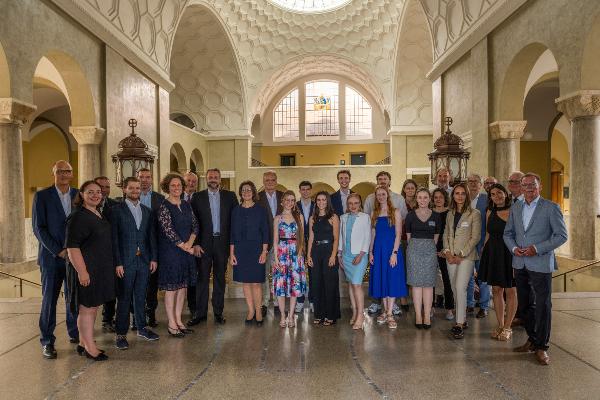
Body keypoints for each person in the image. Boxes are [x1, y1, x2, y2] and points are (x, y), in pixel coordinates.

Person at [504, 173, 567, 365]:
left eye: (532, 184)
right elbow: (508, 233)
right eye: (525, 185)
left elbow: (561, 236)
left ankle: (542, 347)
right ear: (521, 188)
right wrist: (514, 248)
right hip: (519, 263)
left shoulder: (551, 207)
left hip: (540, 262)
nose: (528, 188)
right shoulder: (516, 207)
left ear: (539, 186)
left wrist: (537, 248)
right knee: (524, 306)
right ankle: (532, 339)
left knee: (543, 305)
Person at [32, 160, 79, 359]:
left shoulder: (78, 194)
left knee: (73, 298)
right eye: (60, 171)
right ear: (54, 173)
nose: (63, 174)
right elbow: (38, 228)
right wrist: (58, 251)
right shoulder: (42, 196)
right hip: (51, 258)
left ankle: (75, 333)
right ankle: (47, 341)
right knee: (49, 300)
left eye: (67, 171)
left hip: (74, 257)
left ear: (71, 174)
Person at [65, 180, 116, 361]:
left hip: (98, 268)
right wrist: (82, 272)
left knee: (92, 308)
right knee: (87, 309)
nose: (95, 195)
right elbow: (72, 247)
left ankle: (82, 342)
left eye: (98, 192)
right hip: (86, 270)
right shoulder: (78, 217)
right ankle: (90, 348)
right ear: (81, 195)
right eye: (90, 192)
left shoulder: (97, 212)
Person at [111, 177, 159, 350]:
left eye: (137, 188)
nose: (135, 191)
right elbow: (114, 240)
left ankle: (141, 327)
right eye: (131, 188)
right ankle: (121, 334)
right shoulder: (116, 211)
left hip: (144, 261)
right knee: (124, 298)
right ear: (124, 189)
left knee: (141, 296)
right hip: (125, 262)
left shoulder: (147, 211)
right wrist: (117, 262)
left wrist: (153, 258)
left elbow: (151, 236)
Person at [188, 168, 237, 326]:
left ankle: (218, 313)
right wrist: (195, 243)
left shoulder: (230, 196)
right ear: (206, 179)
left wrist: (233, 246)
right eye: (210, 177)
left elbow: (235, 221)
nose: (213, 179)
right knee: (202, 279)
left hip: (222, 244)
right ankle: (200, 313)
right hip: (203, 244)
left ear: (220, 179)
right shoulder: (197, 197)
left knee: (219, 279)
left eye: (216, 177)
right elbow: (192, 222)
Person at [157, 173, 198, 338]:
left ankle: (179, 321)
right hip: (171, 253)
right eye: (173, 186)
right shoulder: (164, 206)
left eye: (179, 185)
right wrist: (185, 246)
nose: (176, 188)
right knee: (172, 289)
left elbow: (195, 225)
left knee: (183, 287)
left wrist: (190, 243)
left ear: (183, 187)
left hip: (186, 251)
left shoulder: (187, 205)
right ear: (167, 187)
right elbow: (169, 231)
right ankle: (171, 323)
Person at [364, 172, 409, 315]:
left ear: (387, 195)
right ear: (375, 197)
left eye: (383, 194)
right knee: (381, 277)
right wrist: (371, 252)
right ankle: (385, 311)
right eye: (378, 195)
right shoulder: (374, 213)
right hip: (378, 250)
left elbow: (398, 234)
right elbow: (373, 234)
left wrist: (395, 252)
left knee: (392, 277)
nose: (381, 196)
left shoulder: (395, 211)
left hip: (391, 249)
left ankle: (390, 311)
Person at [442, 183, 481, 339]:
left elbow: (475, 237)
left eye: (462, 193)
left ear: (467, 195)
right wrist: (447, 252)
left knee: (460, 287)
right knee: (454, 288)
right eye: (456, 193)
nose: (459, 196)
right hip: (450, 257)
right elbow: (446, 234)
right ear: (453, 196)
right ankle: (462, 319)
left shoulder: (474, 213)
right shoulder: (450, 213)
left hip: (466, 257)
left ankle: (458, 324)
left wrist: (461, 254)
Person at [478, 183, 516, 341]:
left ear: (506, 193)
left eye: (499, 192)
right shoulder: (489, 211)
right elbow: (487, 234)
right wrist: (483, 256)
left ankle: (508, 327)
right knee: (496, 290)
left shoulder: (515, 210)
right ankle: (500, 324)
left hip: (510, 253)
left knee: (511, 291)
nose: (497, 196)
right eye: (493, 194)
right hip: (493, 253)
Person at [230, 181, 270, 326]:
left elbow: (266, 232)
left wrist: (264, 251)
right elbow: (232, 234)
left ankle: (258, 312)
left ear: (253, 192)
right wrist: (232, 254)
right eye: (243, 190)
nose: (246, 192)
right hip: (241, 250)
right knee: (246, 283)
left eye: (249, 190)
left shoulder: (260, 210)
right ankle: (250, 311)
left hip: (257, 250)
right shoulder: (235, 211)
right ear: (240, 193)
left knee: (256, 283)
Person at [405, 188, 441, 329]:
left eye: (425, 197)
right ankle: (418, 315)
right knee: (416, 284)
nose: (422, 200)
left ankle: (427, 316)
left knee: (428, 284)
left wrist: (428, 249)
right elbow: (408, 237)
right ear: (416, 199)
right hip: (414, 250)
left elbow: (436, 237)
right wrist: (415, 249)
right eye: (420, 197)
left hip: (430, 251)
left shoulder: (436, 216)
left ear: (429, 199)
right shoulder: (410, 215)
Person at [273, 191, 307, 328]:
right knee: (281, 286)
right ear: (282, 201)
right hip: (281, 253)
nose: (290, 202)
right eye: (287, 200)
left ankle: (291, 315)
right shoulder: (278, 218)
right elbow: (275, 240)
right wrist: (276, 258)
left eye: (292, 200)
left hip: (295, 254)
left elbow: (303, 238)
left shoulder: (299, 217)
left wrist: (299, 254)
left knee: (294, 286)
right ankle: (282, 315)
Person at [307, 191, 340, 326]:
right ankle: (319, 314)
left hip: (328, 251)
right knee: (316, 283)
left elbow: (337, 238)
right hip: (315, 251)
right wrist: (308, 255)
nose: (321, 202)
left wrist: (333, 255)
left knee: (330, 283)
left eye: (324, 200)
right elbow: (311, 238)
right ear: (316, 202)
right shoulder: (312, 218)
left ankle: (330, 315)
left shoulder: (333, 217)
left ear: (328, 201)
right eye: (319, 200)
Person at [338, 193, 370, 330]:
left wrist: (361, 254)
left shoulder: (365, 217)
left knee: (357, 284)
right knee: (351, 284)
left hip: (359, 255)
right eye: (350, 203)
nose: (353, 206)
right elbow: (341, 237)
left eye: (356, 203)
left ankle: (361, 315)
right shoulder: (343, 218)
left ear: (360, 204)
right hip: (346, 255)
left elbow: (367, 237)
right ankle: (355, 312)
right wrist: (339, 254)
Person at [138, 167, 165, 328]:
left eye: (148, 177)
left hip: (154, 246)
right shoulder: (128, 197)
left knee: (152, 284)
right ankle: (137, 317)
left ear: (152, 179)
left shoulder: (160, 199)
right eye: (141, 177)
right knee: (137, 282)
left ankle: (151, 314)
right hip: (135, 247)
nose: (144, 180)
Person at [256, 171, 284, 316]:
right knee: (264, 275)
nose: (270, 182)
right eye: (267, 180)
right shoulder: (257, 198)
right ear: (263, 181)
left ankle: (280, 303)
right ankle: (265, 303)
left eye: (273, 180)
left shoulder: (282, 196)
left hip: (281, 243)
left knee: (279, 274)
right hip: (264, 244)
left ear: (276, 181)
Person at [94, 176, 119, 333]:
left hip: (110, 255)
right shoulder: (85, 207)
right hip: (92, 256)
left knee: (111, 289)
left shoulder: (116, 206)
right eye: (100, 187)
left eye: (107, 187)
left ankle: (107, 319)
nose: (104, 191)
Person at [466, 173, 490, 319]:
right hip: (467, 245)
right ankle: (469, 304)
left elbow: (489, 224)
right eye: (470, 181)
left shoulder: (487, 200)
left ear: (481, 185)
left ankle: (484, 306)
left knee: (483, 277)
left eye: (476, 181)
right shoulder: (463, 199)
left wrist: (486, 244)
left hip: (482, 244)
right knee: (467, 276)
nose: (473, 183)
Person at [432, 188, 454, 320]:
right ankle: (430, 307)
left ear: (445, 198)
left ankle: (450, 309)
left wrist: (445, 250)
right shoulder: (429, 213)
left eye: (440, 197)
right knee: (430, 279)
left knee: (447, 279)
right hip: (431, 248)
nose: (438, 199)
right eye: (435, 197)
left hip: (446, 249)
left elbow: (452, 233)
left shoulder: (450, 213)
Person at [296, 181, 315, 313]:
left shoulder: (317, 205)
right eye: (303, 189)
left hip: (314, 243)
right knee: (299, 274)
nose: (305, 191)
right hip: (299, 243)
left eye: (308, 189)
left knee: (313, 273)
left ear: (311, 190)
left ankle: (313, 300)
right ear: (299, 191)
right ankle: (300, 301)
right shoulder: (295, 206)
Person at [182, 171, 198, 316]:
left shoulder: (200, 198)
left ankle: (193, 308)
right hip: (177, 246)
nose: (191, 183)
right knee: (179, 278)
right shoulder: (174, 198)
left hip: (195, 246)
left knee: (193, 278)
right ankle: (176, 310)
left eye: (194, 181)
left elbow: (202, 224)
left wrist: (195, 243)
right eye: (188, 181)